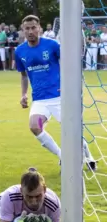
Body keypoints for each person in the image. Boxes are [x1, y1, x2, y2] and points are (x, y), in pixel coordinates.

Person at [15, 15, 97, 171]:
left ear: (39, 28)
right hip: (39, 100)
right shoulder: (20, 51)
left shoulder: (52, 45)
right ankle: (62, 156)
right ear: (23, 30)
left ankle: (89, 157)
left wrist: (68, 85)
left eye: (33, 27)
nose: (31, 31)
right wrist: (24, 94)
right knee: (35, 126)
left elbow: (69, 63)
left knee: (72, 131)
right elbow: (24, 75)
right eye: (27, 28)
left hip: (60, 97)